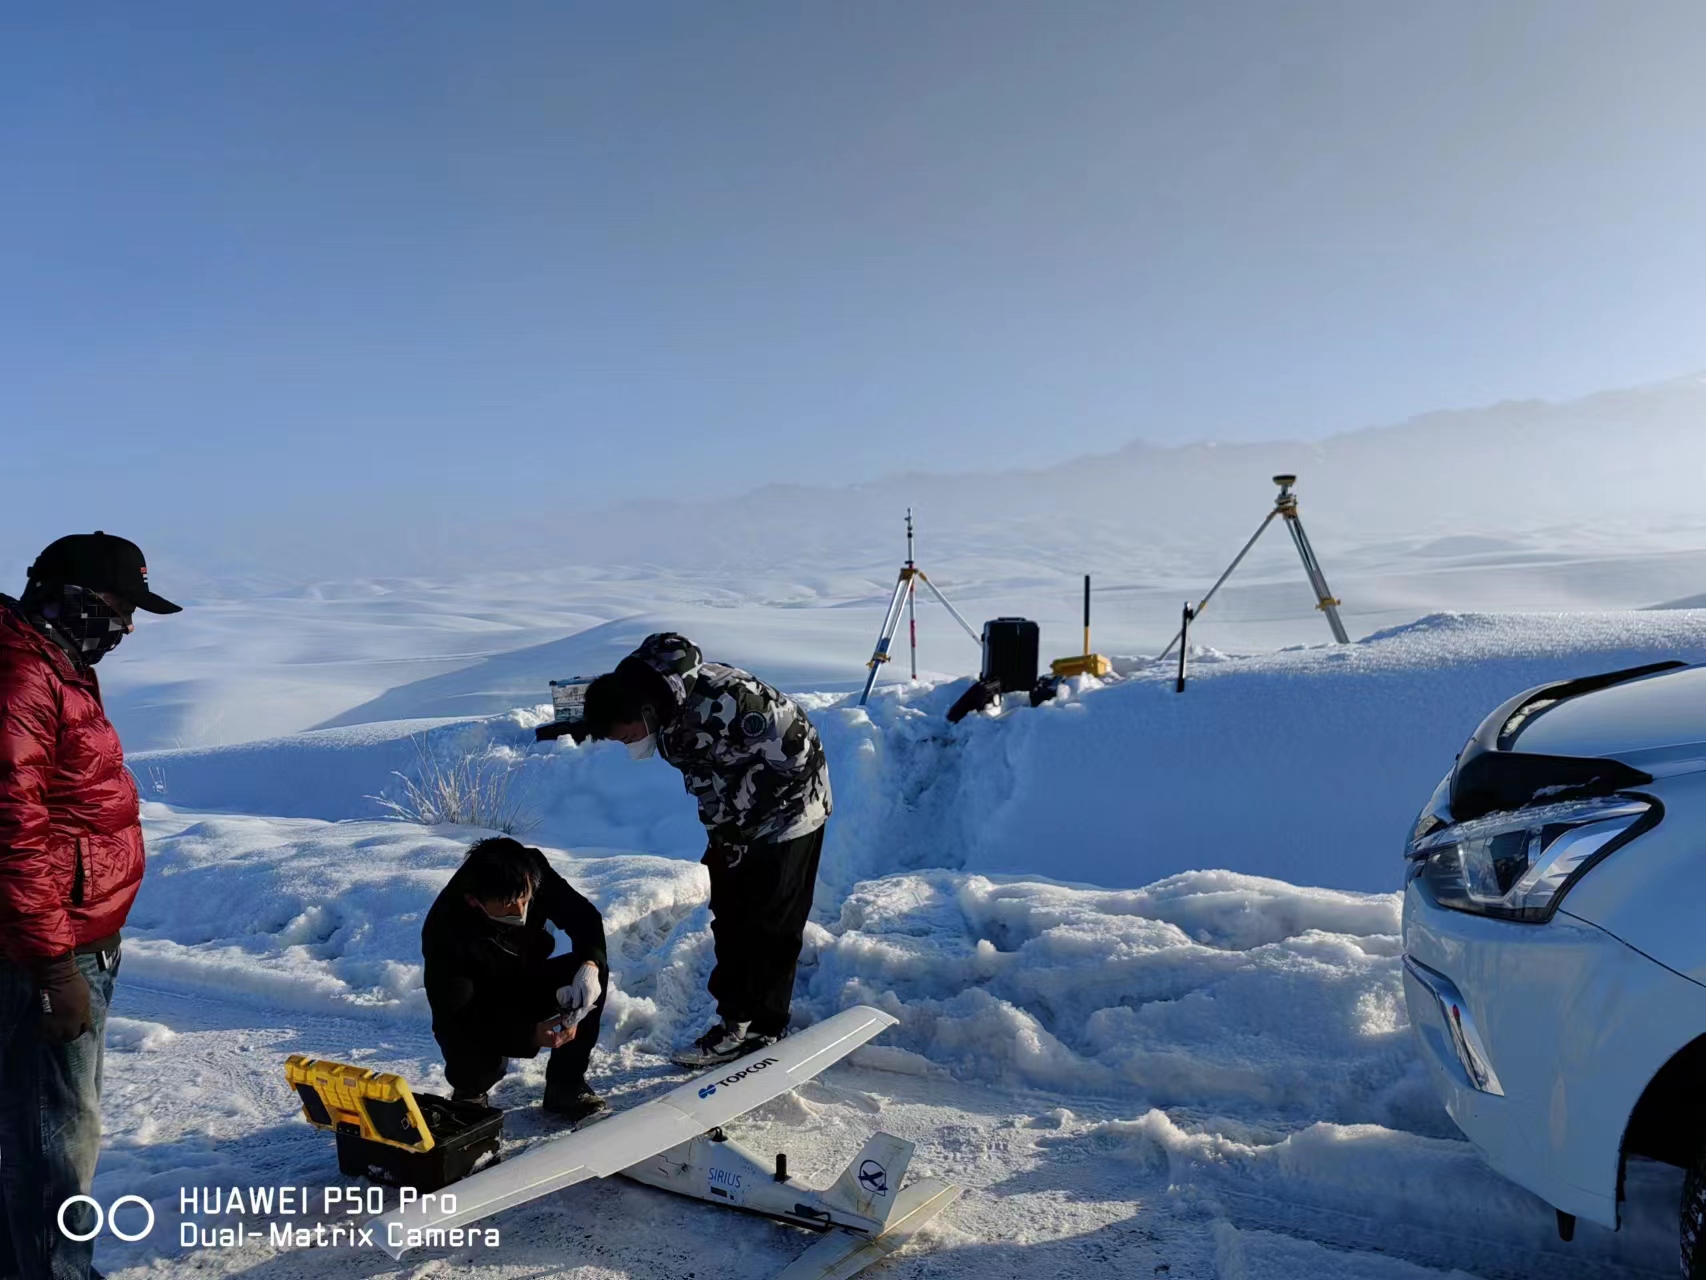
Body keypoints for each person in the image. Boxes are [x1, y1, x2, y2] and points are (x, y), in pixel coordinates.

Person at [0, 532, 181, 1280]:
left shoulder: (54, 663)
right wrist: (53, 967)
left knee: (42, 1126)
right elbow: (12, 832)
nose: (127, 628)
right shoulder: (20, 678)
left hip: (71, 937)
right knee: (55, 1135)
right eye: (118, 608)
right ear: (69, 599)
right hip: (51, 947)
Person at [583, 633, 831, 1067]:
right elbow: (708, 782)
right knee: (731, 914)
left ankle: (765, 1027)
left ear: (642, 712)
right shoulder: (666, 713)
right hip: (738, 818)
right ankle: (735, 1023)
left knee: (772, 922)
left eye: (627, 737)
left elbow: (796, 759)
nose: (629, 746)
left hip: (793, 808)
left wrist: (746, 831)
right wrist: (726, 838)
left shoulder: (730, 707)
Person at [421, 837, 608, 1123]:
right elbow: (457, 1016)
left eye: (525, 900)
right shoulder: (444, 931)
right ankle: (470, 1095)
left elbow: (584, 917)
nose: (520, 911)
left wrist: (590, 965)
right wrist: (528, 1035)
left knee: (585, 977)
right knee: (469, 1050)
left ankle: (566, 1085)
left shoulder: (530, 869)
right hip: (479, 1000)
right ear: (475, 900)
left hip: (523, 974)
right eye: (507, 905)